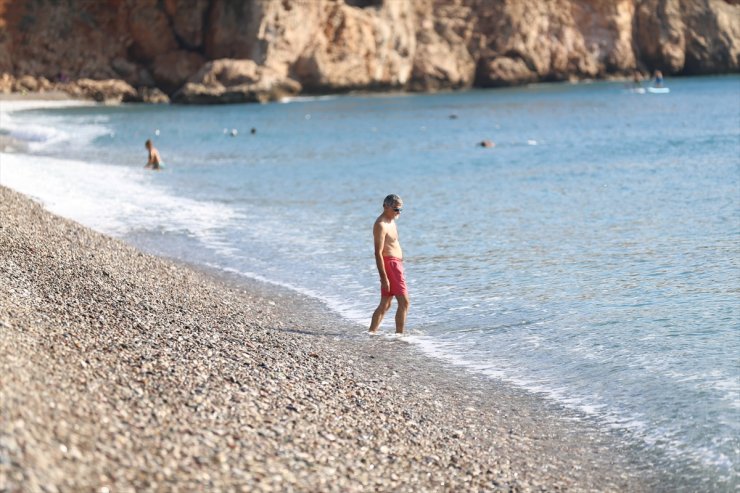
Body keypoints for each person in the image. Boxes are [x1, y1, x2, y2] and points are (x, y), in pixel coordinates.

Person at [369, 194, 409, 334]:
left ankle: (371, 333)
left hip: (395, 264)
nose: (398, 213)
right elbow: (378, 253)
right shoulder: (381, 224)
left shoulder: (391, 220)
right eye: (396, 209)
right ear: (385, 206)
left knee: (386, 303)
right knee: (404, 302)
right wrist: (383, 277)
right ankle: (400, 336)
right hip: (391, 265)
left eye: (400, 210)